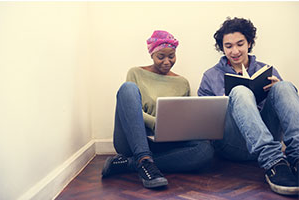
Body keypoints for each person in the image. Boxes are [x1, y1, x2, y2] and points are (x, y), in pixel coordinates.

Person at [198, 17, 299, 196]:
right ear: (222, 48)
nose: (235, 51)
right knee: (239, 91)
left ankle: (296, 156)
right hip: (232, 145)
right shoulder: (210, 76)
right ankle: (274, 164)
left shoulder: (267, 70)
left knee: (284, 86)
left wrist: (276, 88)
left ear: (249, 43)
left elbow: (286, 111)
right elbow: (203, 122)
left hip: (269, 138)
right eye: (228, 46)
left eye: (240, 44)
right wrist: (223, 105)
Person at [101, 30, 214, 189]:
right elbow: (131, 111)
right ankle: (143, 157)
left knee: (205, 151)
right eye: (161, 57)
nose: (167, 61)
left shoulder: (182, 82)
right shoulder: (136, 73)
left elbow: (183, 116)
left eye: (171, 56)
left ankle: (132, 164)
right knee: (127, 88)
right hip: (132, 140)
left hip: (164, 141)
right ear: (152, 55)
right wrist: (157, 123)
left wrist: (194, 128)